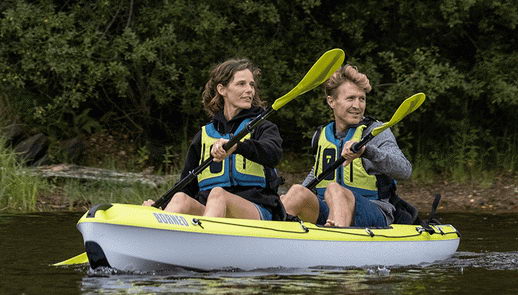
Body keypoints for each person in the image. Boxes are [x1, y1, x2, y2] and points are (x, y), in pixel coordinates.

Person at [143, 58, 283, 221]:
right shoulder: (204, 135)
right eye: (241, 84)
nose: (249, 90)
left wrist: (238, 146)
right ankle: (156, 230)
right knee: (180, 198)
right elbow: (187, 183)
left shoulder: (263, 127)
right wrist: (161, 206)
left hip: (256, 210)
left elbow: (273, 154)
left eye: (251, 85)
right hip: (211, 211)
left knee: (218, 194)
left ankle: (204, 241)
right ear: (222, 89)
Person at [281, 65, 412, 227]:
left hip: (374, 210)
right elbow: (318, 172)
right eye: (350, 98)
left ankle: (336, 241)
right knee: (296, 192)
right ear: (332, 101)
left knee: (335, 190)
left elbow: (405, 170)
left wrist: (367, 151)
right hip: (327, 209)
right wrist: (289, 198)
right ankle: (270, 237)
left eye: (361, 99)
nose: (357, 106)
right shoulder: (321, 135)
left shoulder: (376, 132)